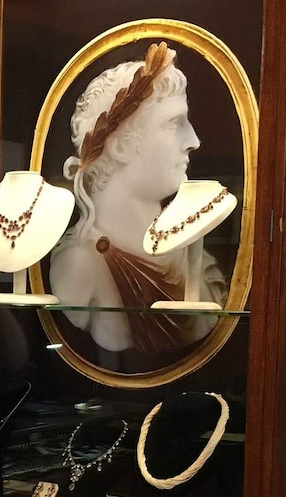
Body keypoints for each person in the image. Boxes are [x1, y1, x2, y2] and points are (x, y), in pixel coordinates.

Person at [49, 42, 227, 354]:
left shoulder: (195, 261)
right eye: (173, 124)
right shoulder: (78, 267)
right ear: (119, 145)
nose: (194, 141)